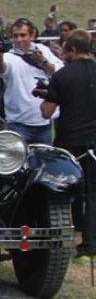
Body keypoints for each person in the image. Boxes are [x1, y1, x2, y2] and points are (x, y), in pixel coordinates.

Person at [38, 32, 96, 257]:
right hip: (94, 141)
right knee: (92, 192)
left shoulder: (62, 75)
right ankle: (90, 242)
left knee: (66, 188)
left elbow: (47, 112)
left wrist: (45, 96)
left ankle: (69, 231)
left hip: (69, 141)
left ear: (72, 50)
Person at [0, 18, 62, 145]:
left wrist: (43, 62)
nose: (19, 40)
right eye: (15, 36)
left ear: (32, 35)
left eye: (23, 35)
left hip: (44, 123)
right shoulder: (9, 57)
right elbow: (0, 69)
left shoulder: (43, 50)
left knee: (43, 162)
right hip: (18, 124)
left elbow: (60, 73)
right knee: (17, 163)